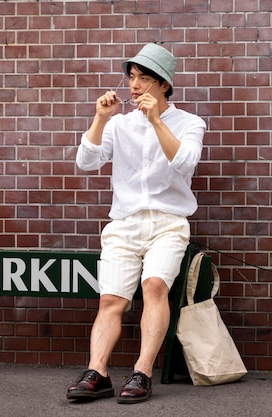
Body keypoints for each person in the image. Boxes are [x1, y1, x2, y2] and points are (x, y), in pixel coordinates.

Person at [66, 43, 206, 404]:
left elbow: (186, 163)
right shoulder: (119, 124)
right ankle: (97, 372)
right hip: (124, 223)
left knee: (155, 286)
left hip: (168, 223)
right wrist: (100, 119)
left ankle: (142, 372)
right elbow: (86, 161)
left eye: (144, 79)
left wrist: (156, 120)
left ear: (164, 85)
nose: (135, 85)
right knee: (111, 299)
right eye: (132, 77)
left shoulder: (190, 123)